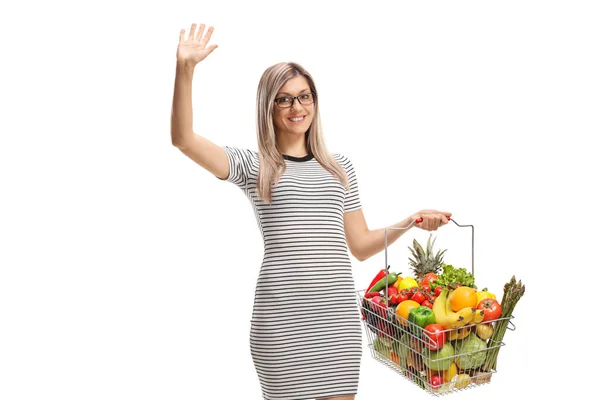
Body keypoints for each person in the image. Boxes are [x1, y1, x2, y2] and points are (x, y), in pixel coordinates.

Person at [170, 22, 451, 400]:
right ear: (268, 106)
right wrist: (185, 69)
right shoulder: (255, 166)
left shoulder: (340, 169)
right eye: (284, 99)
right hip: (281, 323)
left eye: (304, 97)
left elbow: (362, 246)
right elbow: (183, 139)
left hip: (336, 323)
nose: (296, 107)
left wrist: (408, 222)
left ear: (315, 102)